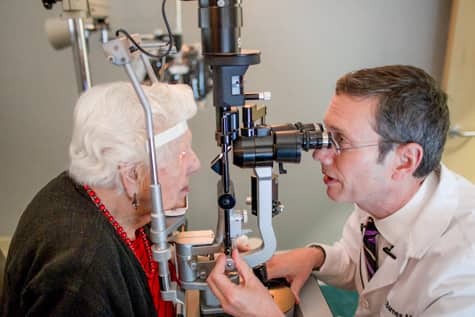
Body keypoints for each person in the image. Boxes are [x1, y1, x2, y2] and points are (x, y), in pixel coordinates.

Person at [207, 65, 475, 316]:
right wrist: (315, 256)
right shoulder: (378, 197)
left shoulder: (461, 271)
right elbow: (360, 261)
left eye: (341, 140)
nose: (320, 155)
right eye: (326, 135)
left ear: (404, 161)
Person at [0, 81, 201, 316]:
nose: (195, 164)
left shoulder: (109, 202)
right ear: (131, 175)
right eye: (182, 154)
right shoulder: (82, 270)